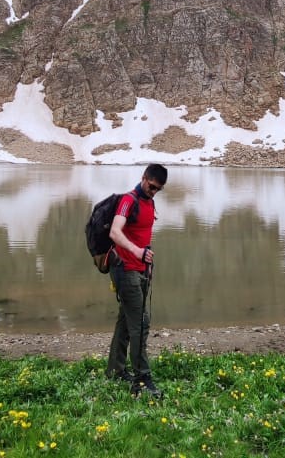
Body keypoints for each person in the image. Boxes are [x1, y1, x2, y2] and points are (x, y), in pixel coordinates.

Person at [106, 163, 167, 398]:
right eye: (151, 187)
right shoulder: (128, 201)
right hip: (124, 268)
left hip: (140, 269)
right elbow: (114, 232)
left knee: (126, 320)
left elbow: (142, 235)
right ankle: (142, 379)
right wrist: (136, 251)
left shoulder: (149, 203)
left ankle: (115, 370)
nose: (153, 192)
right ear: (144, 178)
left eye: (158, 189)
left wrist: (146, 258)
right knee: (140, 322)